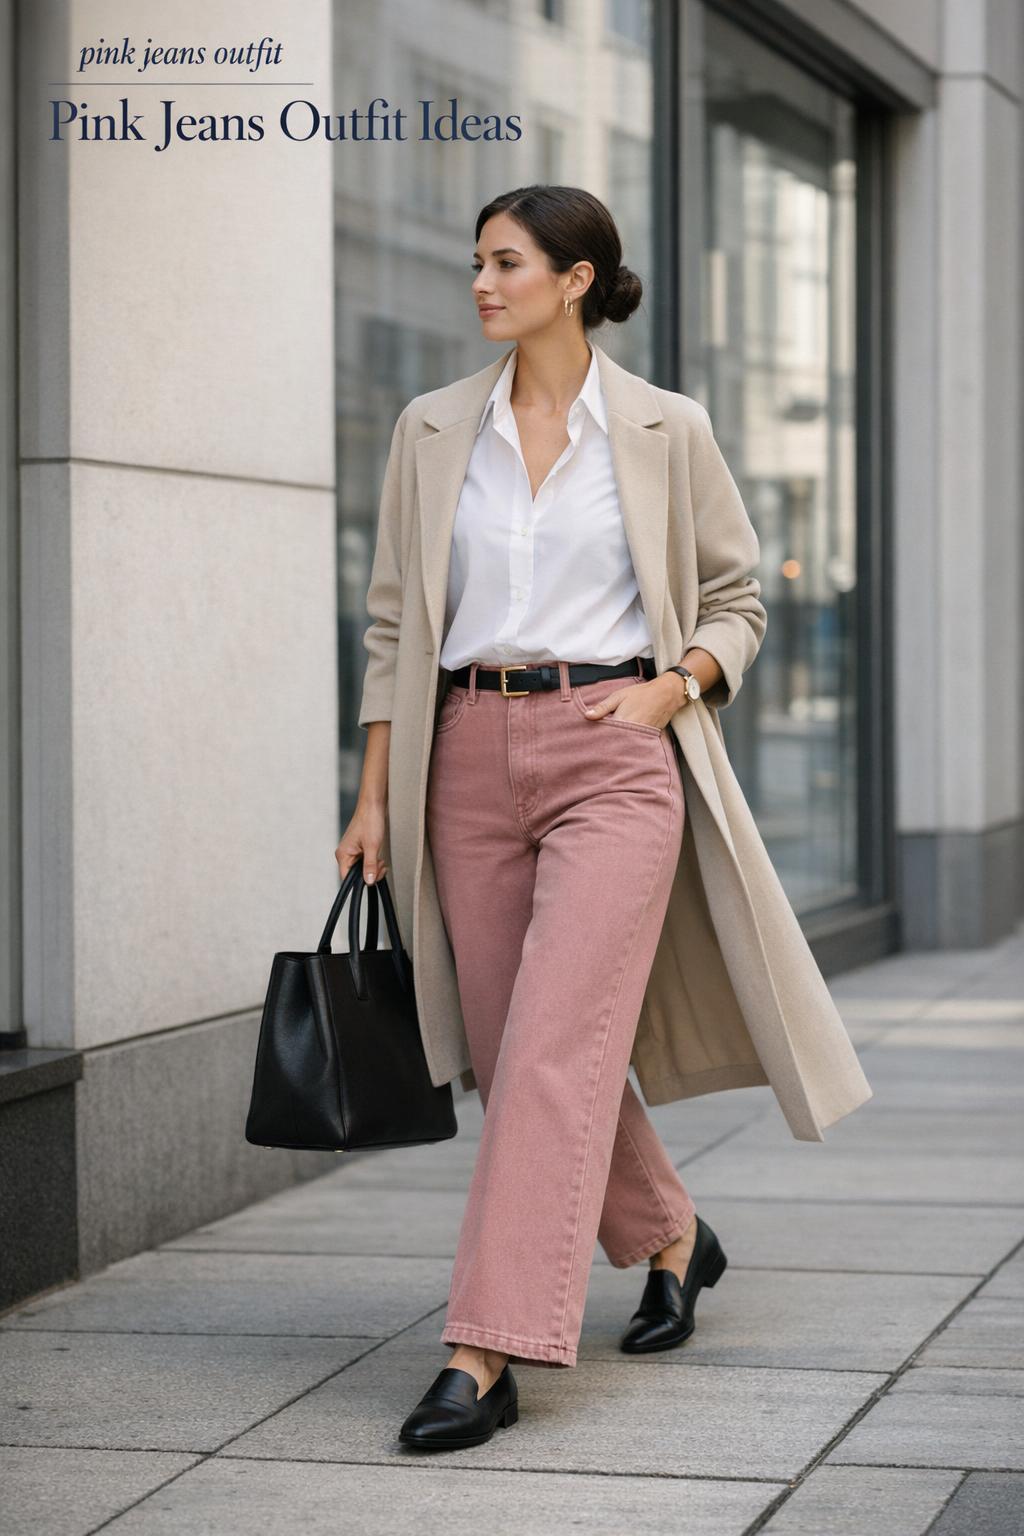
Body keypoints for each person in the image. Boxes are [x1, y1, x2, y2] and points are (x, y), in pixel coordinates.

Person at [336, 184, 762, 1451]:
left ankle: (486, 1346)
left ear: (576, 280)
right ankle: (673, 1237)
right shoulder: (428, 429)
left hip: (610, 755)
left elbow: (734, 597)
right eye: (475, 260)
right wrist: (369, 799)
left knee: (547, 1051)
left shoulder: (661, 427)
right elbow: (395, 624)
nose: (479, 281)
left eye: (505, 262)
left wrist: (670, 691)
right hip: (461, 756)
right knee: (506, 1042)